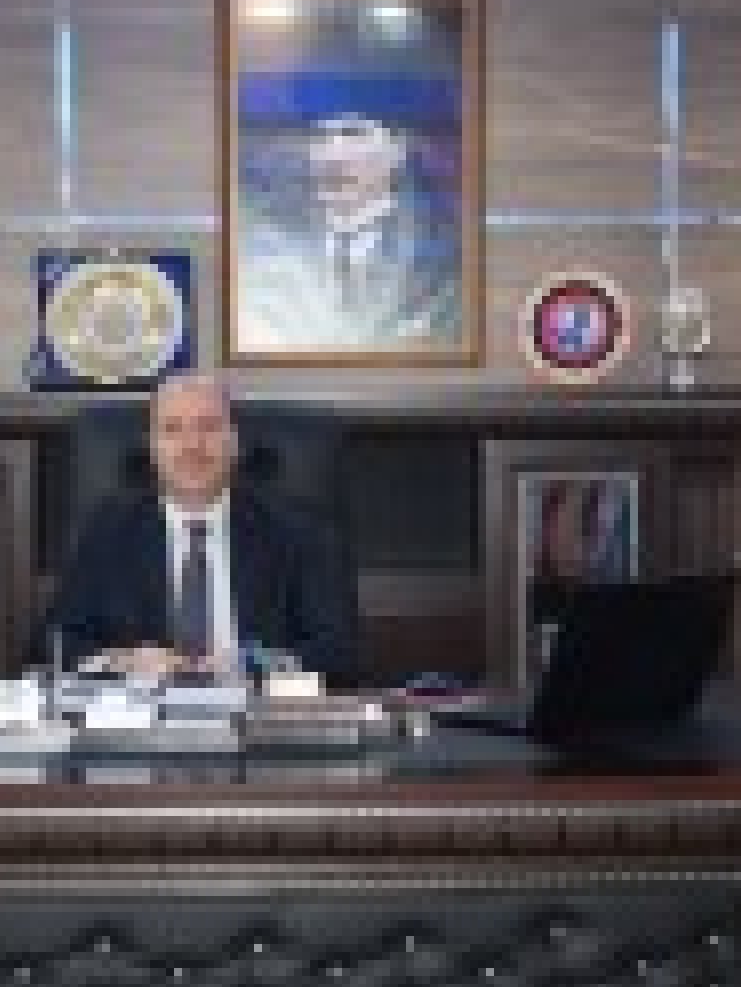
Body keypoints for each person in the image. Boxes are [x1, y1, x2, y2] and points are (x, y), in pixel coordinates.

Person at [42, 372, 357, 682]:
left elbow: (340, 652)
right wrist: (122, 661)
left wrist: (252, 663)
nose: (192, 446)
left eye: (208, 427)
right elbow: (54, 643)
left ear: (233, 443)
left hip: (255, 708)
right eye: (172, 430)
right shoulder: (108, 532)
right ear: (152, 448)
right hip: (144, 710)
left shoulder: (300, 531)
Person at [236, 112, 461, 352]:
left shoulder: (445, 257)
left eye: (354, 134)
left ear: (397, 151)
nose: (333, 156)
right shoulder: (261, 244)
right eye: (320, 137)